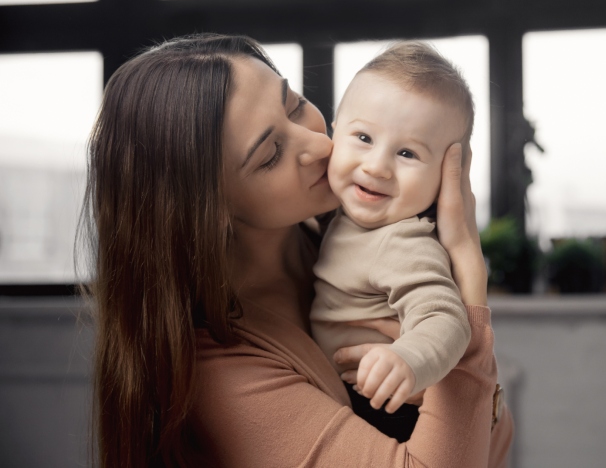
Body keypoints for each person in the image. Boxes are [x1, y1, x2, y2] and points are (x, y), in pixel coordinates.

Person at [81, 33, 513, 467]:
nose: (319, 144)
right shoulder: (221, 368)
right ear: (209, 210)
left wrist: (439, 372)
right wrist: (469, 280)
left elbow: (494, 444)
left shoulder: (350, 236)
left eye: (294, 105)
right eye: (270, 154)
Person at [310, 42, 475, 440]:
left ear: (445, 176)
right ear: (335, 131)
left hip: (387, 409)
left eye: (406, 153)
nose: (377, 166)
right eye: (363, 137)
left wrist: (406, 360)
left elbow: (445, 318)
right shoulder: (339, 216)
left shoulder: (403, 242)